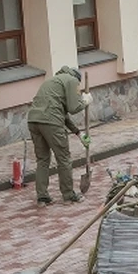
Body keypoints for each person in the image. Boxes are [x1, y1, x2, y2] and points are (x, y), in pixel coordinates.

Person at [27, 66, 92, 207]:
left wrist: (78, 133)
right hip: (51, 122)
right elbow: (73, 108)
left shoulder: (53, 81)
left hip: (33, 120)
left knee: (42, 159)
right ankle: (68, 195)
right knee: (64, 158)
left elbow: (62, 114)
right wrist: (84, 101)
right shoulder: (72, 80)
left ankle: (42, 198)